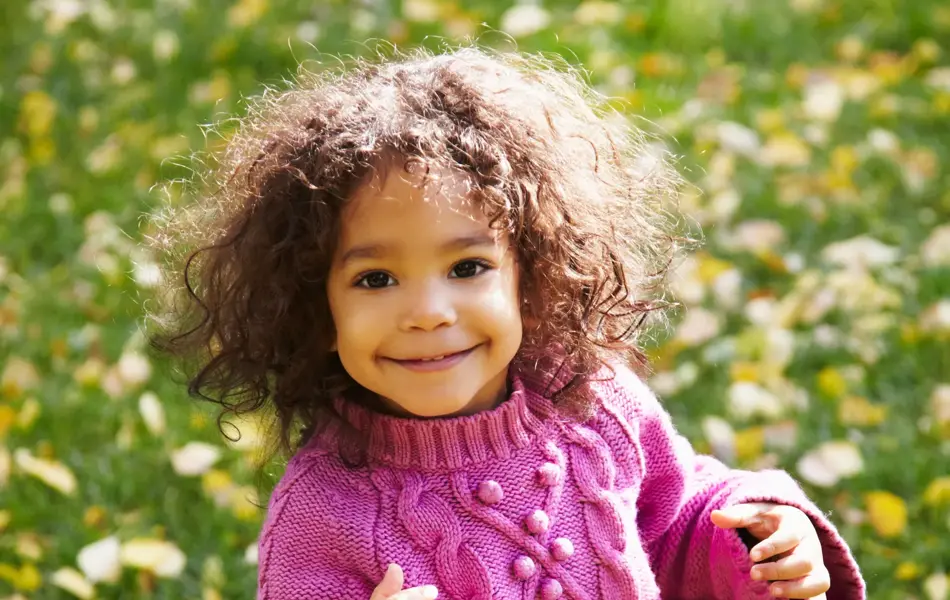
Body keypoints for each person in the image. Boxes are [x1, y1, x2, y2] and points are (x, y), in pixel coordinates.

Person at [148, 45, 866, 600]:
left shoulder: (593, 402)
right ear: (315, 307)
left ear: (532, 272)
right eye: (375, 278)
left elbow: (674, 520)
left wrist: (759, 537)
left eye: (466, 268)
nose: (428, 313)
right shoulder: (325, 514)